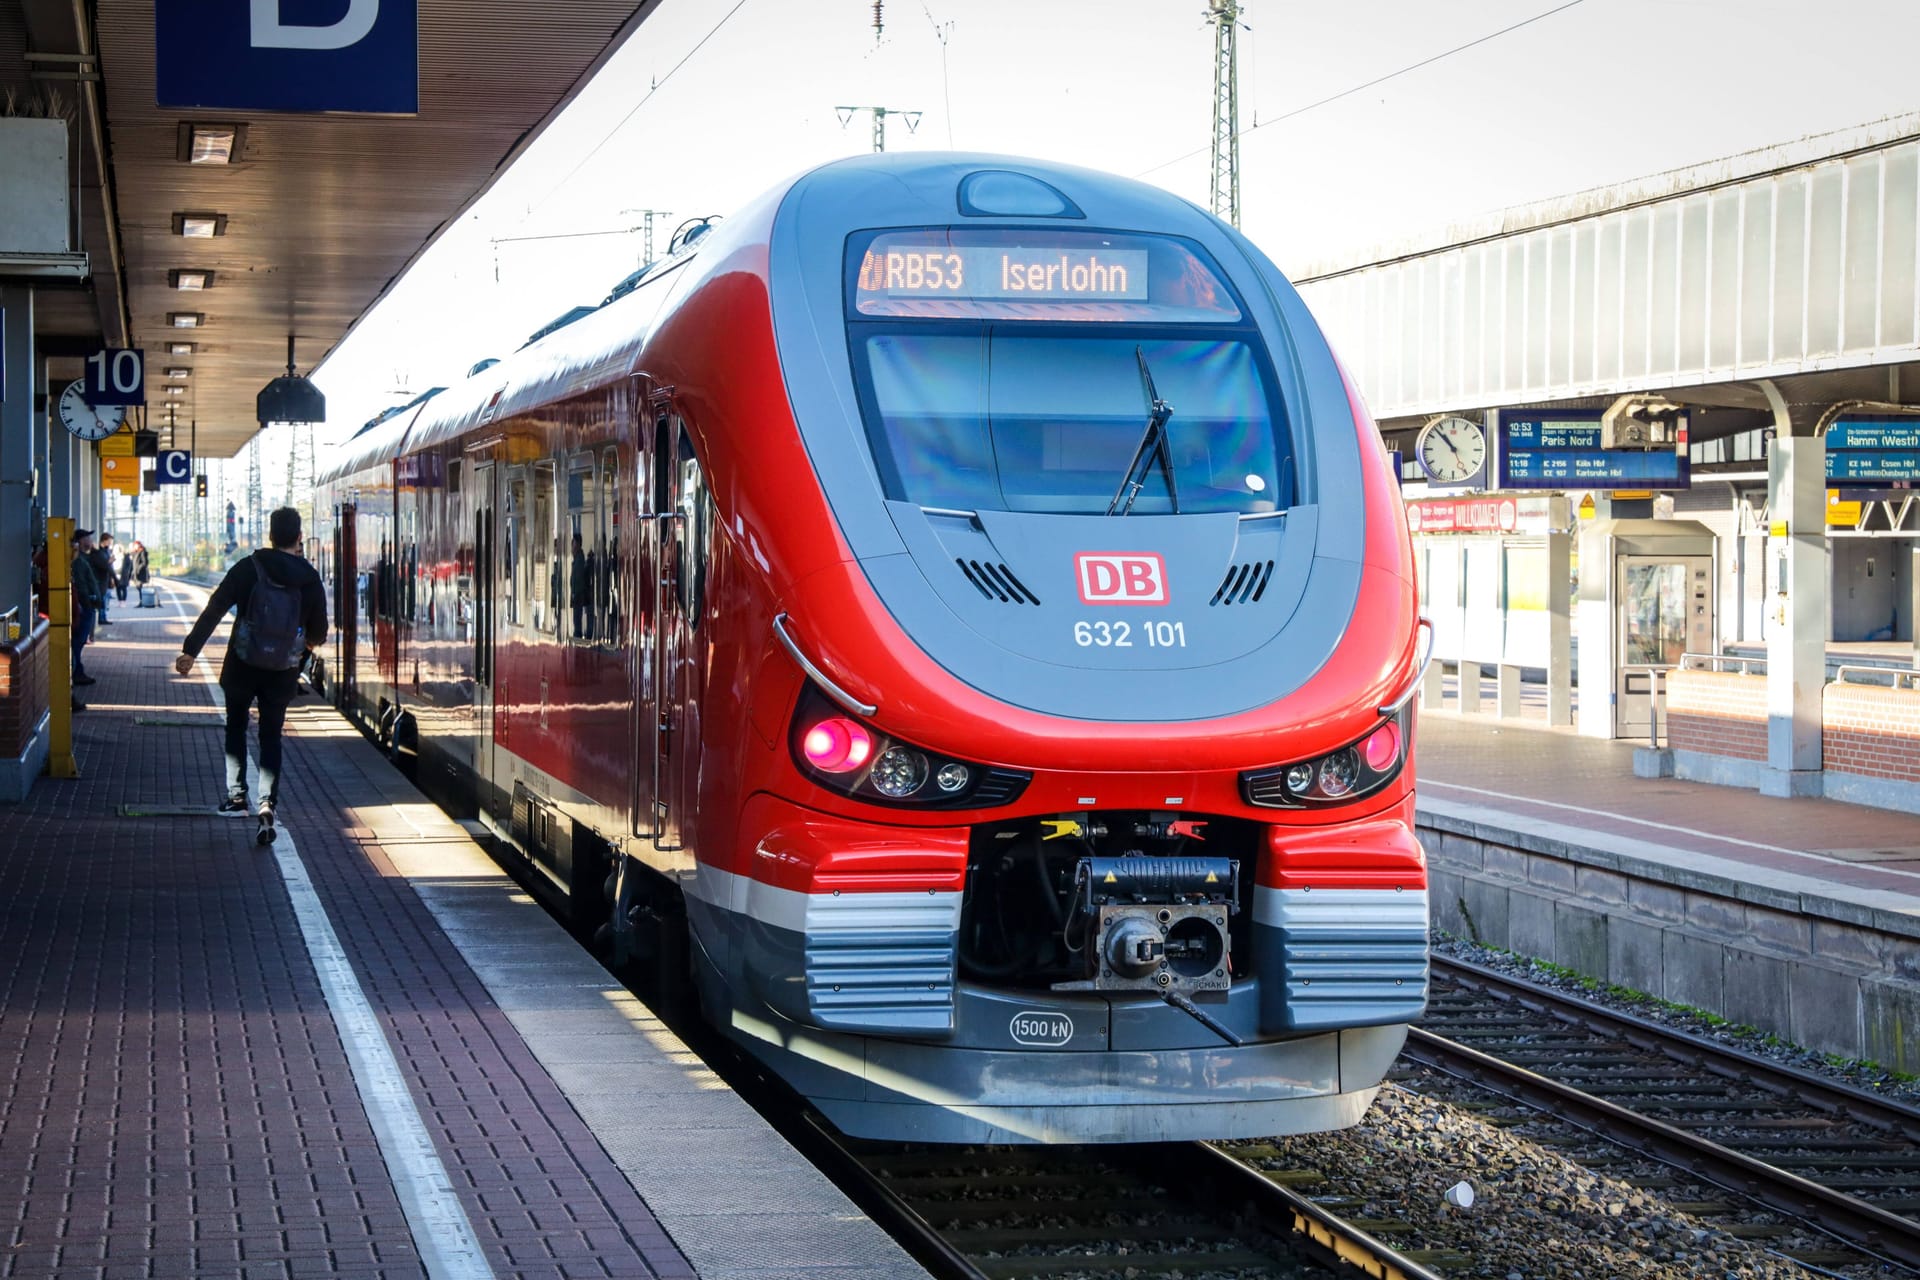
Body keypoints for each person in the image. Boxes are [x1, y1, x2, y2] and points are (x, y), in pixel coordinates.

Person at [175, 507, 328, 820]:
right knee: (271, 736)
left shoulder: (249, 567)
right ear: (299, 537)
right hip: (283, 670)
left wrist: (191, 651)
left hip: (242, 664)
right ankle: (267, 802)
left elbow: (215, 607)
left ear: (270, 536)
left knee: (236, 728)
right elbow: (319, 632)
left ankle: (236, 797)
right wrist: (301, 651)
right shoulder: (309, 578)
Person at [69, 529, 101, 689]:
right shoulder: (78, 561)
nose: (90, 540)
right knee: (77, 642)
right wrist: (87, 603)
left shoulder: (82, 558)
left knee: (78, 642)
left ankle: (77, 670)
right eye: (88, 537)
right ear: (80, 541)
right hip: (83, 608)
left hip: (84, 606)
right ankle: (75, 672)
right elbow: (81, 585)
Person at [569, 532, 592, 639]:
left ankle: (577, 635)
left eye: (573, 543)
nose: (571, 546)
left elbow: (577, 580)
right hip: (578, 595)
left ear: (577, 544)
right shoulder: (578, 559)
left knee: (577, 619)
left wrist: (574, 594)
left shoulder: (579, 561)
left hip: (578, 595)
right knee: (577, 618)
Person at [90, 533, 115, 626]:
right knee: (102, 600)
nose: (110, 543)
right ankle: (101, 617)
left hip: (106, 579)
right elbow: (103, 565)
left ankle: (103, 616)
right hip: (101, 580)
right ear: (104, 540)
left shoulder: (106, 551)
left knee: (105, 599)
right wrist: (110, 561)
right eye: (109, 541)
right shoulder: (99, 552)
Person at [131, 541, 150, 605]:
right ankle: (142, 601)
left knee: (140, 587)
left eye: (136, 545)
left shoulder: (142, 552)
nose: (135, 546)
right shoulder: (135, 553)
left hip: (141, 573)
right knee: (138, 587)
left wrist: (138, 569)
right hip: (136, 573)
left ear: (139, 545)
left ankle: (142, 601)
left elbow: (145, 562)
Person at [114, 538, 132, 603]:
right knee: (118, 589)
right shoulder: (114, 556)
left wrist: (126, 573)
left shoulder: (125, 556)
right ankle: (120, 601)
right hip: (116, 574)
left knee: (123, 588)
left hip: (123, 575)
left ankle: (123, 601)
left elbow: (128, 565)